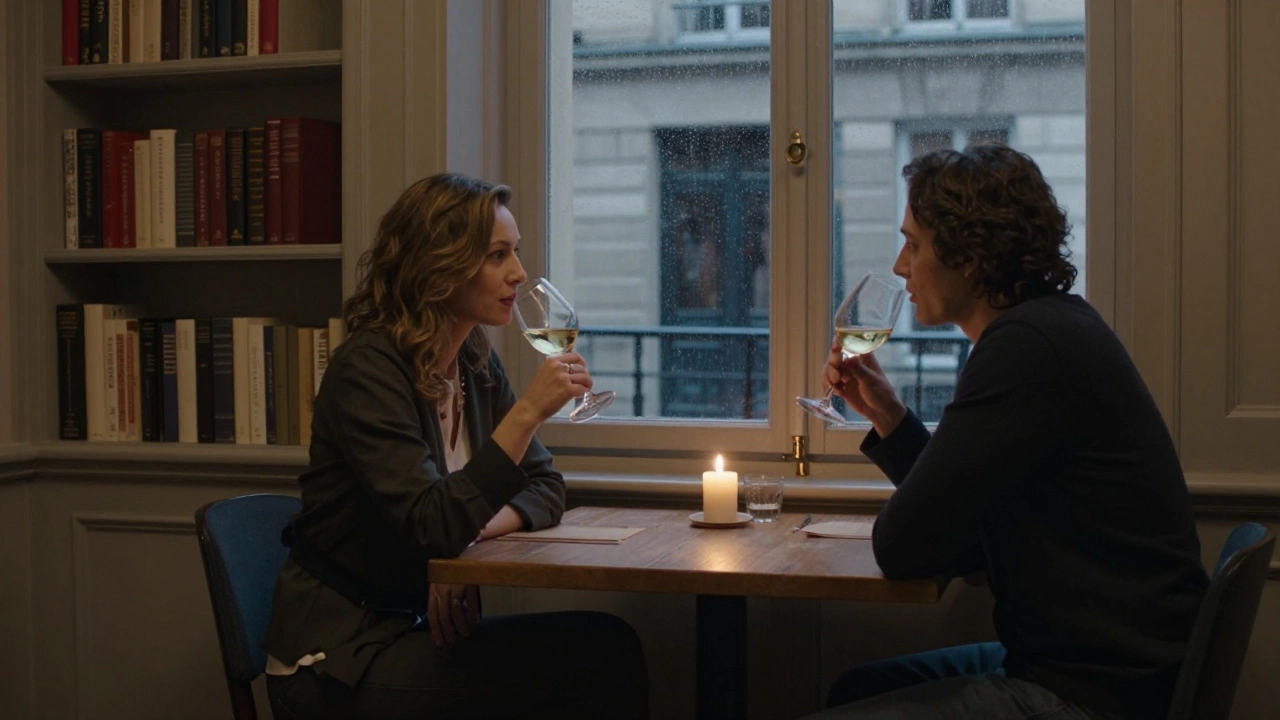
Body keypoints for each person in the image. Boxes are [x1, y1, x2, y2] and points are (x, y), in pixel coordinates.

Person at [808, 145, 1207, 720]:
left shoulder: (1025, 350)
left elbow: (902, 547)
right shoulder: (1051, 327)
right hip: (1109, 668)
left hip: (1090, 692)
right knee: (857, 690)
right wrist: (889, 417)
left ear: (969, 256)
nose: (900, 266)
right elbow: (969, 540)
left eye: (914, 245)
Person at [263, 173, 649, 720]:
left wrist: (465, 544)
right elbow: (432, 523)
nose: (518, 273)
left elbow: (544, 486)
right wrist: (527, 413)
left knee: (606, 641)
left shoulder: (473, 359)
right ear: (439, 265)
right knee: (596, 660)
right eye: (497, 255)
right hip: (339, 656)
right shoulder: (367, 371)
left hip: (417, 630)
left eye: (515, 252)